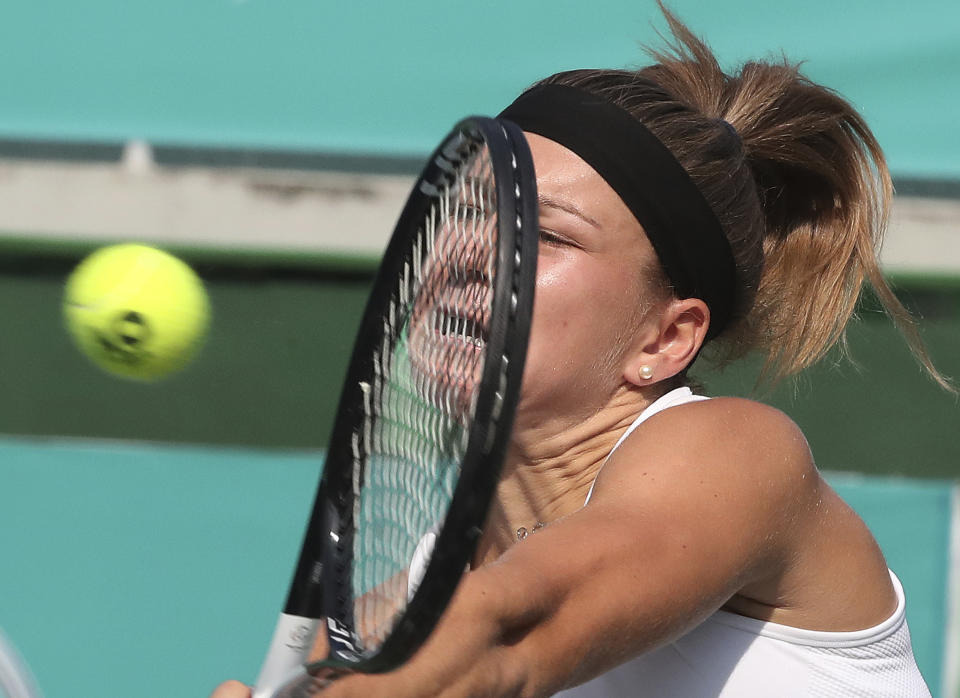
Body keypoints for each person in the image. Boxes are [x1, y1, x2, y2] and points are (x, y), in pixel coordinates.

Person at [212, 5, 951, 696]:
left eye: (548, 235)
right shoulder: (376, 627)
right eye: (471, 209)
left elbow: (506, 638)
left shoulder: (733, 454)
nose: (475, 249)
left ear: (666, 339)